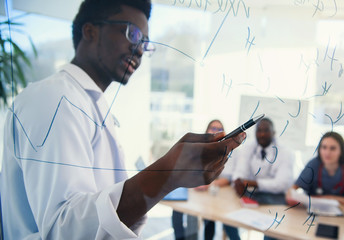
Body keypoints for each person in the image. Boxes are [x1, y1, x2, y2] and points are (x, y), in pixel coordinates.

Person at [0, 1, 245, 239]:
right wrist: (167, 173)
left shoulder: (90, 104)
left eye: (145, 42)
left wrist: (169, 174)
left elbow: (101, 215)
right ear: (90, 31)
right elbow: (64, 230)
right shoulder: (55, 98)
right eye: (132, 33)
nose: (139, 49)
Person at [286, 132, 344, 209]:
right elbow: (292, 190)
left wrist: (331, 198)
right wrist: (291, 197)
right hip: (313, 213)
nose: (327, 152)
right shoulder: (313, 164)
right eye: (324, 147)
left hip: (340, 214)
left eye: (332, 148)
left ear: (341, 151)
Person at [193, 120, 240, 240]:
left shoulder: (229, 150)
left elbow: (227, 179)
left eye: (219, 129)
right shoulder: (200, 149)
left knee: (229, 222)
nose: (215, 131)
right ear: (207, 131)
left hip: (223, 195)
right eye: (212, 128)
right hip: (205, 196)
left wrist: (207, 184)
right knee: (205, 218)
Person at [233, 117, 294, 200]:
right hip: (250, 194)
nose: (262, 134)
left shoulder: (285, 153)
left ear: (274, 133)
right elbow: (240, 171)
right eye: (259, 131)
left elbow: (282, 184)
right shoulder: (247, 148)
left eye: (266, 130)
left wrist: (254, 183)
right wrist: (238, 181)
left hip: (275, 198)